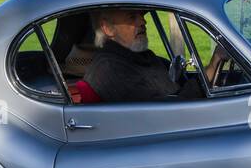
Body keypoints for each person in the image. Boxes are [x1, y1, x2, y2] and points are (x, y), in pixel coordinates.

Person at [72, 8, 226, 104]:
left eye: (141, 15)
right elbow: (161, 113)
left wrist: (213, 66)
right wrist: (213, 64)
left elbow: (178, 87)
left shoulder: (141, 56)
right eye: (132, 17)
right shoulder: (108, 68)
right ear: (108, 28)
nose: (143, 21)